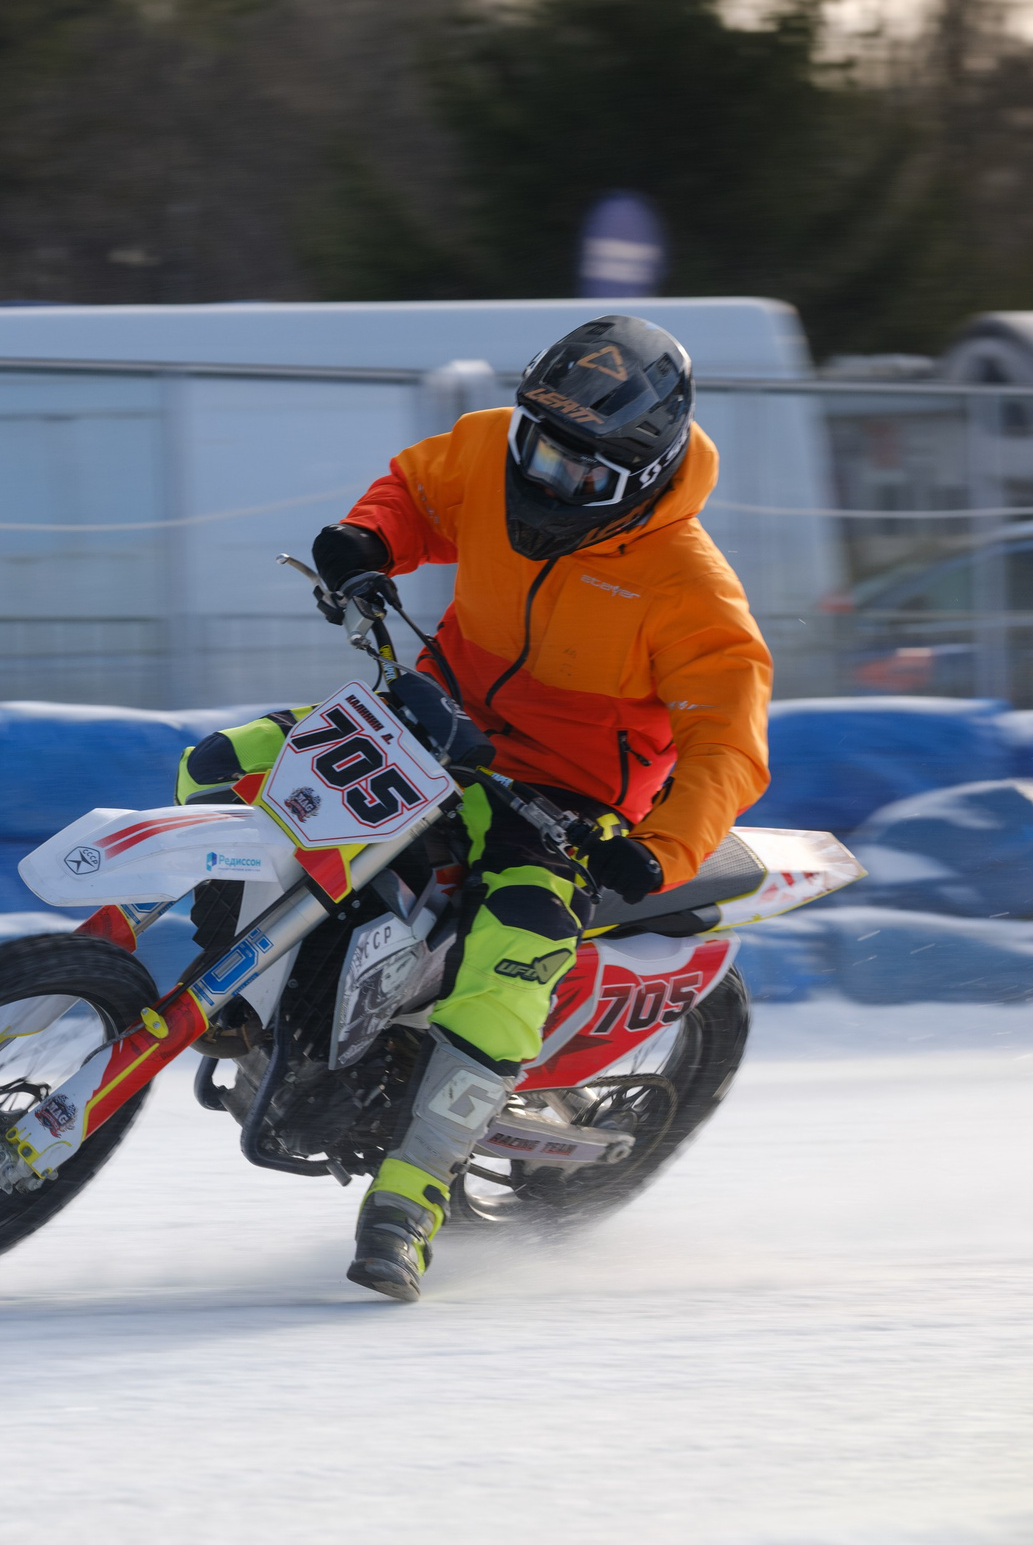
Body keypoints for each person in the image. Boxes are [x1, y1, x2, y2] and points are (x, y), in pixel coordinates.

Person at [175, 315, 771, 1302]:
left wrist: (657, 853)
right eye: (537, 447)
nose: (544, 480)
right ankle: (234, 993)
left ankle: (410, 1197)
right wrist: (368, 538)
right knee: (219, 766)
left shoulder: (693, 594)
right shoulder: (495, 453)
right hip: (431, 724)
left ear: (640, 472)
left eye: (580, 472)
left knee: (510, 950)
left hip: (562, 805)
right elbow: (420, 488)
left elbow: (727, 748)